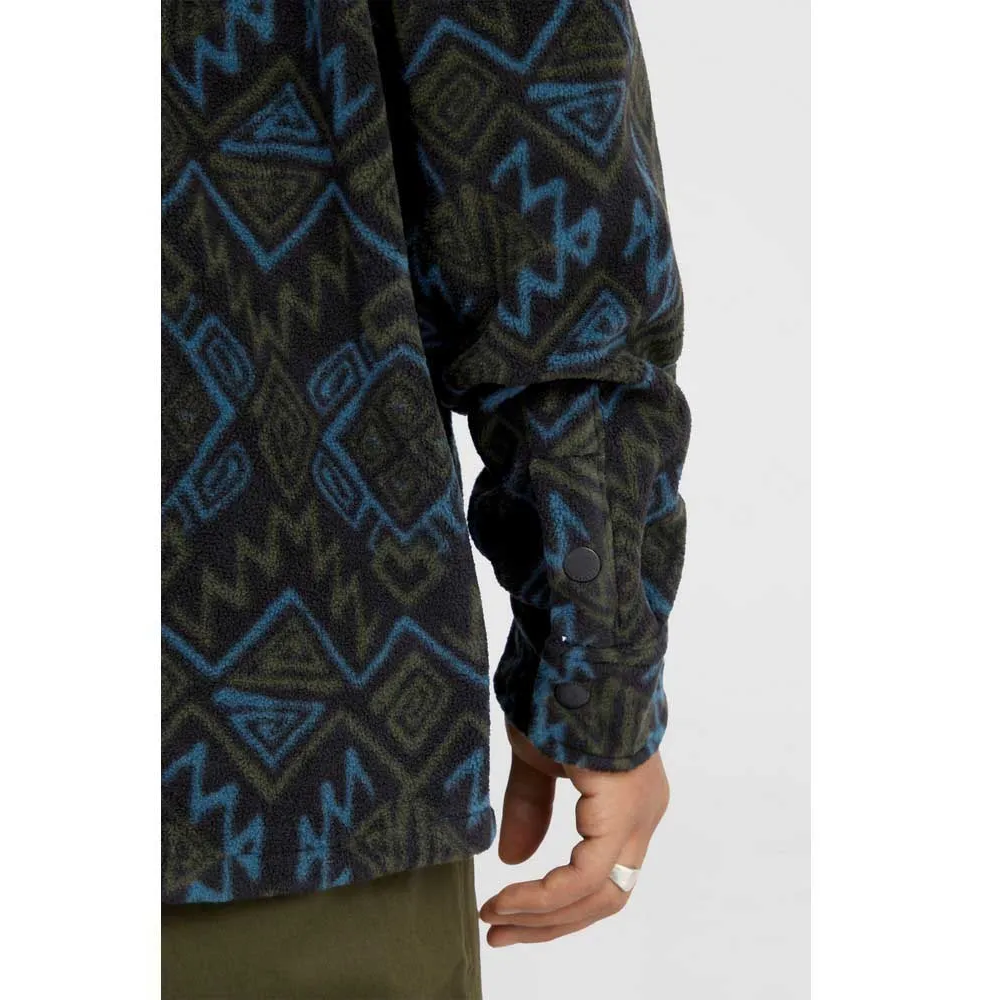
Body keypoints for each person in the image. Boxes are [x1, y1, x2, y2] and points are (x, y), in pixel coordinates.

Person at [161, 1, 689, 996]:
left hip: (264, 770)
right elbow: (540, 173)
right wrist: (594, 669)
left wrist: (591, 664)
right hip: (274, 757)